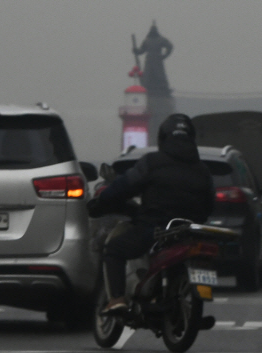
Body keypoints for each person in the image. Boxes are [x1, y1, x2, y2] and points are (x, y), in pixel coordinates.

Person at [88, 113, 215, 313]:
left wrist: (102, 200)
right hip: (189, 232)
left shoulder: (152, 162)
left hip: (155, 228)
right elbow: (209, 206)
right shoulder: (203, 170)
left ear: (162, 138)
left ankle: (117, 299)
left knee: (114, 249)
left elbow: (124, 186)